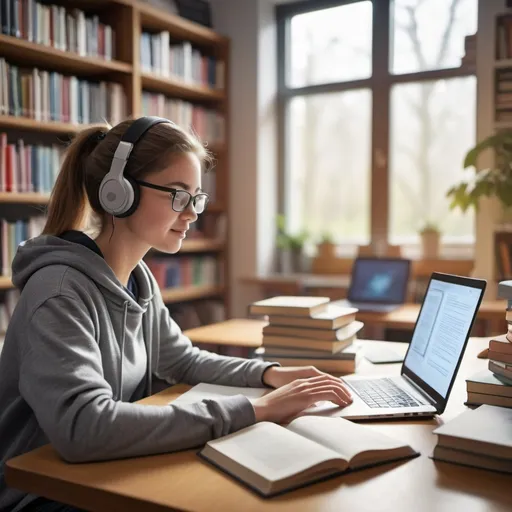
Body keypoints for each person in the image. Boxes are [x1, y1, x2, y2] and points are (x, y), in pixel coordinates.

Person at [0, 117, 352, 512]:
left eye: (196, 198)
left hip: (97, 474)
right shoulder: (59, 292)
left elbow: (180, 359)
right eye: (178, 195)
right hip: (43, 496)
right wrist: (255, 410)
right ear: (119, 193)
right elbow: (84, 426)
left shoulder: (137, 278)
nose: (192, 213)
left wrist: (269, 374)